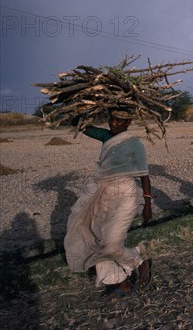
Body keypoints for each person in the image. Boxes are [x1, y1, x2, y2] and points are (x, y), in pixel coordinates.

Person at [64, 108, 153, 297]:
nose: (114, 123)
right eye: (112, 119)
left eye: (120, 121)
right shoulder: (106, 136)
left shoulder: (134, 143)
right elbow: (77, 124)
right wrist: (83, 105)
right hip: (103, 193)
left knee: (111, 244)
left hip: (126, 194)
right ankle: (120, 283)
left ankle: (140, 263)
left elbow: (144, 174)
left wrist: (147, 203)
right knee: (96, 239)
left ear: (128, 122)